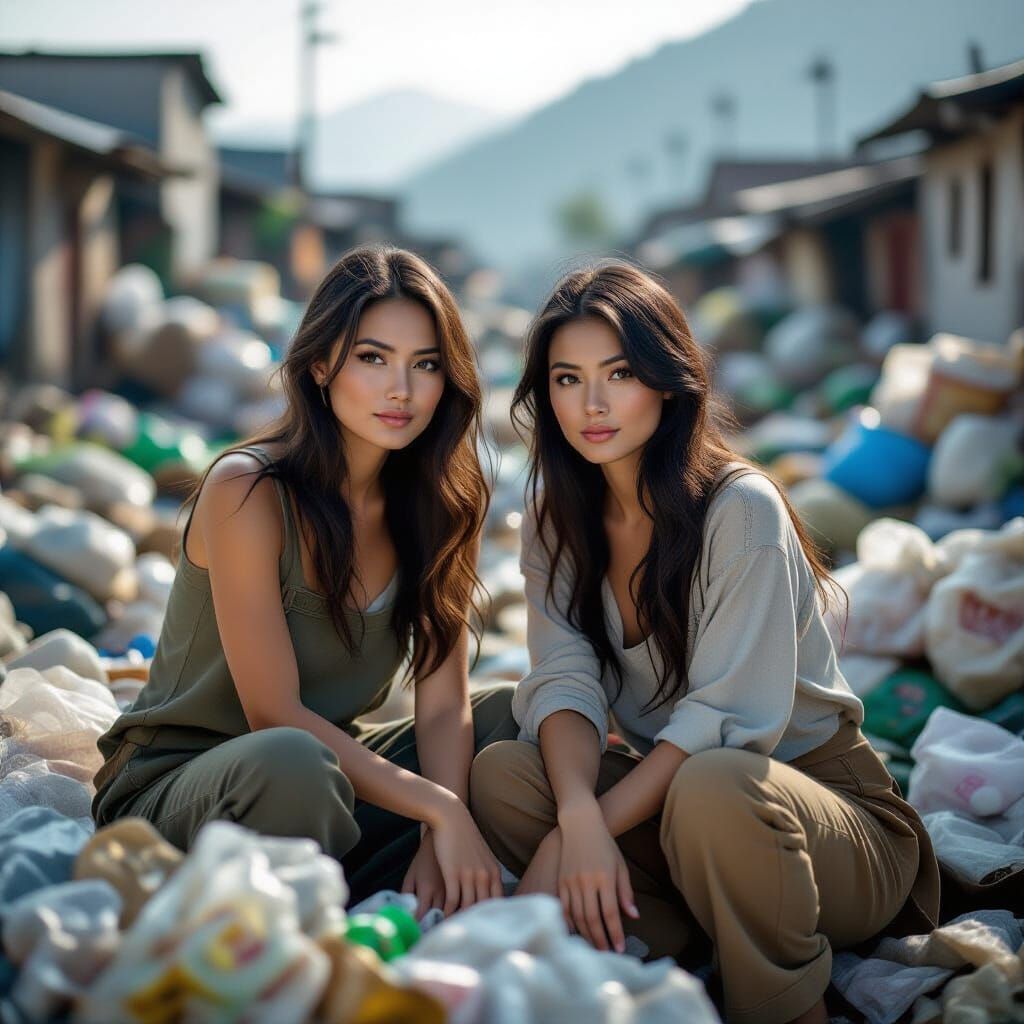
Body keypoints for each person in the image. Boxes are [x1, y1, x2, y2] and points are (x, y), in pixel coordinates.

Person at [469, 261, 939, 1024]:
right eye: (566, 378)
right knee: (506, 776)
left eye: (618, 373)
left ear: (666, 379)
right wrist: (578, 816)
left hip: (820, 826)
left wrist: (584, 827)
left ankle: (786, 1003)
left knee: (711, 782)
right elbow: (563, 679)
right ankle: (680, 961)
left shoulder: (739, 509)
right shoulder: (558, 517)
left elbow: (722, 722)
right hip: (685, 816)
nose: (591, 403)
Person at [93, 245, 518, 916]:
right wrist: (439, 809)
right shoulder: (248, 490)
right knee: (294, 761)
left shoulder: (438, 507)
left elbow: (441, 706)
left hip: (320, 784)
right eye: (372, 359)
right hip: (186, 786)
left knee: (510, 717)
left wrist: (450, 821)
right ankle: (356, 890)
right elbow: (273, 715)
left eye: (426, 364)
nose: (400, 390)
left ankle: (412, 883)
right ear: (321, 366)